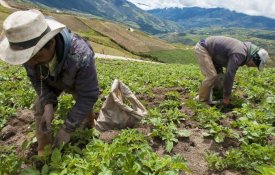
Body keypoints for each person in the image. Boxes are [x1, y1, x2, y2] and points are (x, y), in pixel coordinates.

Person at [0, 9, 99, 155]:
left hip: (74, 79)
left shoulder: (81, 56)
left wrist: (67, 128)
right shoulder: (29, 55)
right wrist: (47, 103)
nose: (31, 63)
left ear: (51, 43)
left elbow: (89, 94)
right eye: (27, 59)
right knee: (40, 107)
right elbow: (35, 79)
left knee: (82, 99)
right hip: (50, 81)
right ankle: (44, 150)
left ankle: (90, 123)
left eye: (36, 57)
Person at [194, 36, 269, 108]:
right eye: (254, 65)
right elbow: (230, 74)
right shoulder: (240, 53)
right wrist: (226, 97)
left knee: (219, 78)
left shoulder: (245, 52)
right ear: (254, 58)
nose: (251, 66)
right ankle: (202, 101)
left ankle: (209, 94)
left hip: (214, 55)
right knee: (212, 75)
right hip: (203, 48)